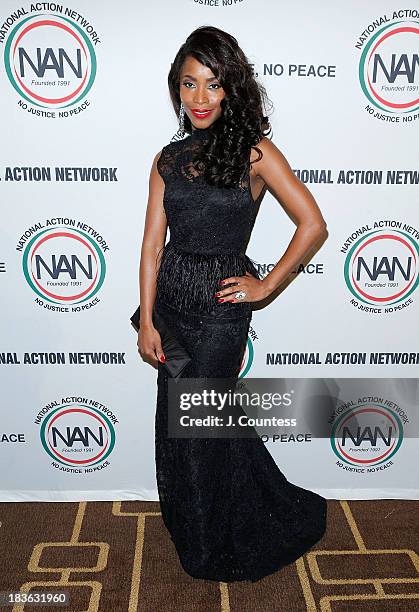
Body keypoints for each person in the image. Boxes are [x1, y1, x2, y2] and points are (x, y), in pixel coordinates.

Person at [138, 25, 328, 583]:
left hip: (222, 309)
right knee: (180, 421)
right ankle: (193, 521)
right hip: (171, 301)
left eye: (212, 84)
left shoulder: (256, 153)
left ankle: (211, 541)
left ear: (230, 89)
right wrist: (147, 319)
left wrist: (266, 286)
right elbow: (152, 246)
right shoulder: (167, 159)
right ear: (176, 89)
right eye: (188, 84)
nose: (198, 98)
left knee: (200, 422)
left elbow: (312, 224)